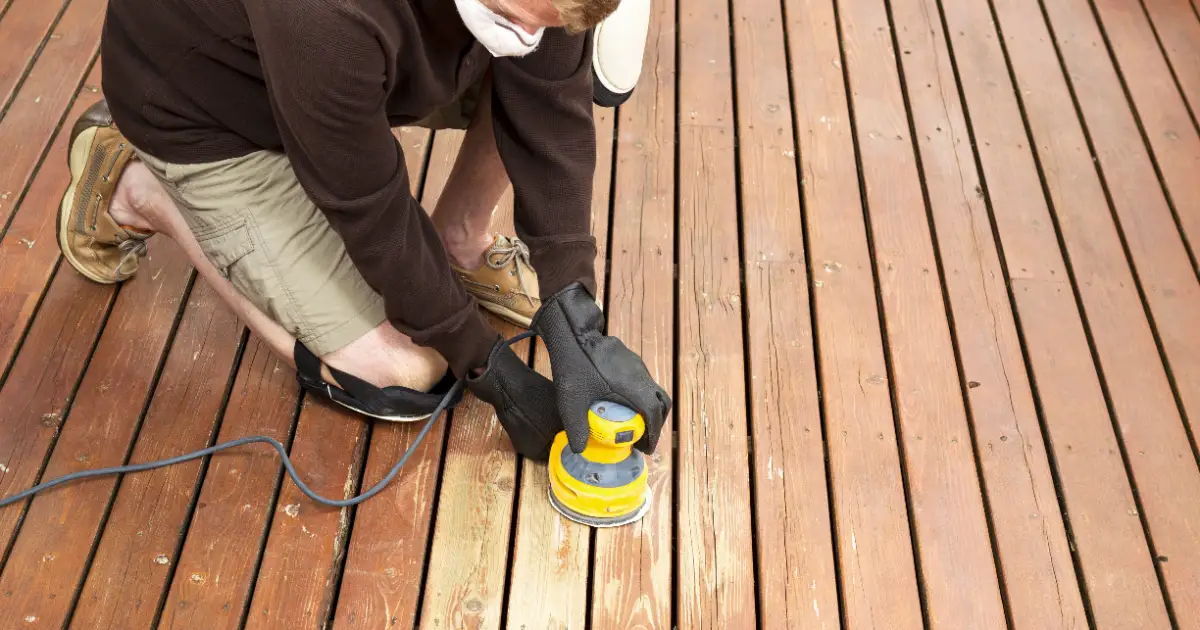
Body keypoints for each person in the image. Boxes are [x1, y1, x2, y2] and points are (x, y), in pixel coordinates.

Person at [58, 0, 669, 460]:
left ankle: (461, 233)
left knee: (526, 58)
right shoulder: (324, 14)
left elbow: (550, 99)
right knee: (407, 374)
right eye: (514, 16)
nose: (531, 36)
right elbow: (376, 216)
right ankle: (142, 191)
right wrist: (489, 370)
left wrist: (573, 312)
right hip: (205, 112)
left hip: (333, 73)